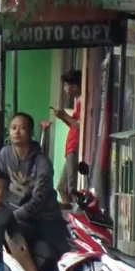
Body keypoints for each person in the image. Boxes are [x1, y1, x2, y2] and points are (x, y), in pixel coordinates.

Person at [0, 112, 68, 271]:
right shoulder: (5, 154)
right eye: (13, 128)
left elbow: (39, 200)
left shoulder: (42, 162)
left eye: (22, 128)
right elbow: (1, 185)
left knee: (64, 257)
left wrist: (14, 215)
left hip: (46, 218)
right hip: (20, 216)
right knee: (10, 232)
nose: (17, 132)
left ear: (31, 133)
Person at [52, 69, 82, 207]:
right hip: (70, 146)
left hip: (74, 146)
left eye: (66, 85)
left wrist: (63, 116)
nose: (64, 89)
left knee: (71, 188)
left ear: (75, 86)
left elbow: (79, 125)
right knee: (61, 187)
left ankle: (75, 215)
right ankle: (70, 215)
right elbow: (73, 124)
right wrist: (63, 116)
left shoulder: (82, 102)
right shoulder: (77, 101)